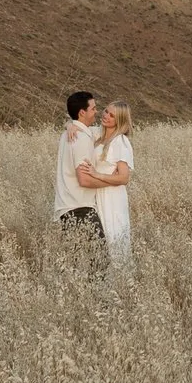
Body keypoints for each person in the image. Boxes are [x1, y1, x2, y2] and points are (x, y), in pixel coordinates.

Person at [51, 90, 105, 255]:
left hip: (69, 208)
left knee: (78, 263)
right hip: (80, 209)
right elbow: (84, 180)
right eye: (93, 108)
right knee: (99, 261)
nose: (96, 112)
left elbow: (104, 130)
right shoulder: (80, 138)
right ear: (82, 112)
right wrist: (112, 181)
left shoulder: (71, 133)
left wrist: (69, 123)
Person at [89, 101, 135, 270]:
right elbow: (76, 126)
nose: (106, 116)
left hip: (112, 197)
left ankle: (119, 280)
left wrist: (97, 174)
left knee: (113, 238)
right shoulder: (98, 134)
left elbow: (124, 177)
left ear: (119, 120)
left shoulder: (120, 141)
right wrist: (70, 126)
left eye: (112, 115)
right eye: (106, 111)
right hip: (97, 194)